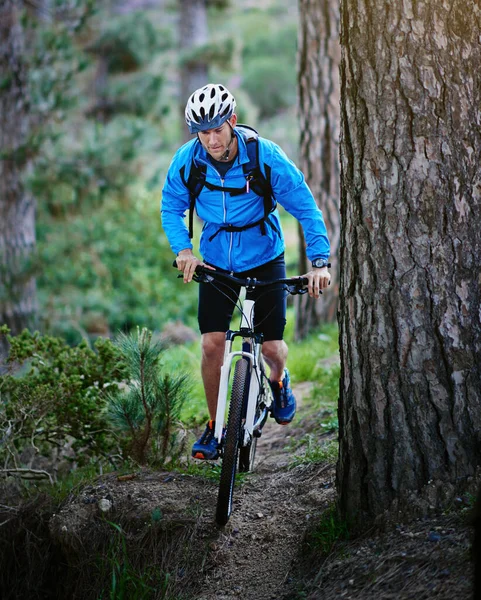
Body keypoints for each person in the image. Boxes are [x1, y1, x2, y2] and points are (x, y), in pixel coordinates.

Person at [161, 83, 331, 460]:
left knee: (271, 346)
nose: (211, 139)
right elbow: (171, 206)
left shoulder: (264, 156)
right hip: (215, 259)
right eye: (203, 132)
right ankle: (214, 426)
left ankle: (279, 379)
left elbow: (305, 206)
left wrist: (319, 263)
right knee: (211, 344)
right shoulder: (189, 161)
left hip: (265, 255)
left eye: (217, 129)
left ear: (232, 122)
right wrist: (184, 250)